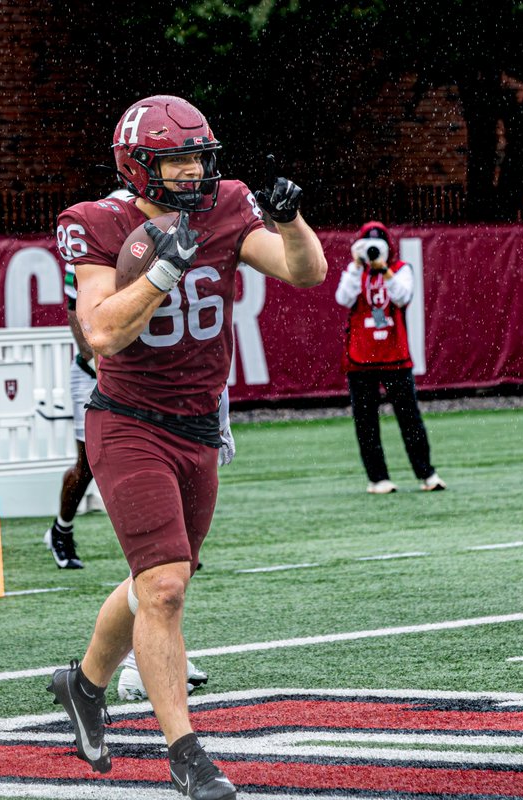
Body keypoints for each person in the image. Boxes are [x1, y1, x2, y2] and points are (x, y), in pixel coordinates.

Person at [47, 95, 326, 800]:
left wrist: (292, 223)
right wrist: (163, 273)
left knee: (162, 580)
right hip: (129, 421)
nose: (192, 172)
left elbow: (305, 272)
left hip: (199, 423)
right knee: (165, 585)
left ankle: (82, 686)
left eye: (199, 157)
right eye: (175, 159)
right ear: (137, 167)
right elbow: (103, 332)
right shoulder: (95, 223)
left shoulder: (226, 206)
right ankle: (187, 753)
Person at [43, 189, 235, 572]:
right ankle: (62, 528)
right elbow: (82, 319)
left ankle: (173, 546)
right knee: (85, 466)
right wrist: (99, 363)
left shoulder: (174, 238)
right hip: (100, 373)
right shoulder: (98, 242)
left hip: (154, 378)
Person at [334, 221, 445, 494]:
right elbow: (343, 298)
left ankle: (426, 473)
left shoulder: (400, 269)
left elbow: (403, 296)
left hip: (394, 355)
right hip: (360, 357)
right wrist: (357, 266)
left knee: (409, 417)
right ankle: (378, 478)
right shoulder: (355, 271)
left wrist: (383, 270)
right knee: (366, 420)